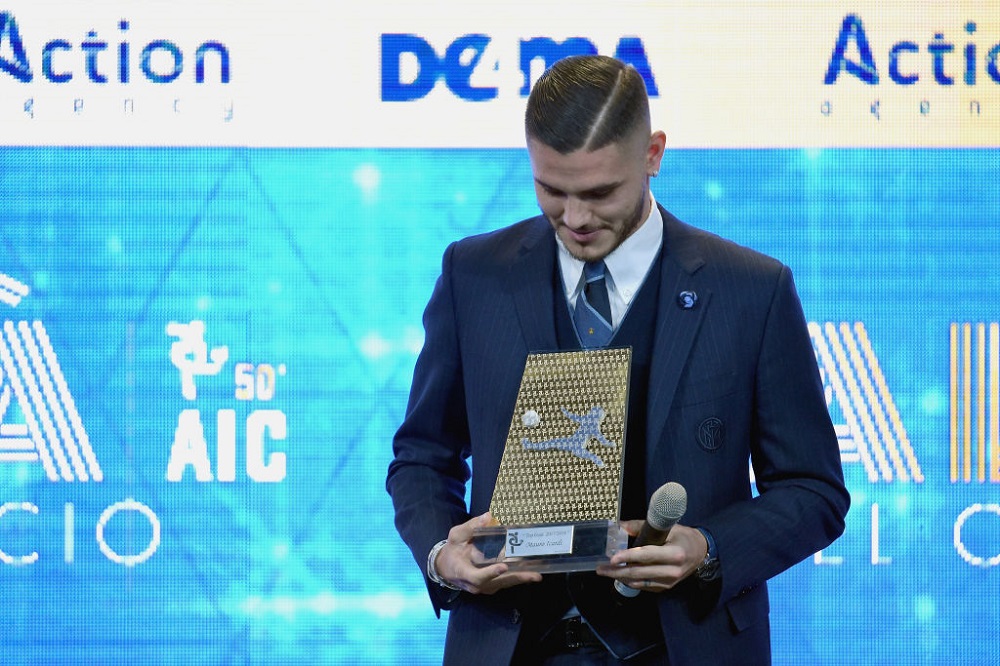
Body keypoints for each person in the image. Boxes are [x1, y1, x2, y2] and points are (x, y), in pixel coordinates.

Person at [386, 54, 849, 665]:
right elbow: (421, 457)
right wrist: (443, 556)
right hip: (509, 646)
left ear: (653, 155)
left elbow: (814, 490)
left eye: (600, 192)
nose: (576, 218)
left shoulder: (751, 290)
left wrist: (709, 549)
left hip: (685, 646)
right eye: (552, 190)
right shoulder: (472, 276)